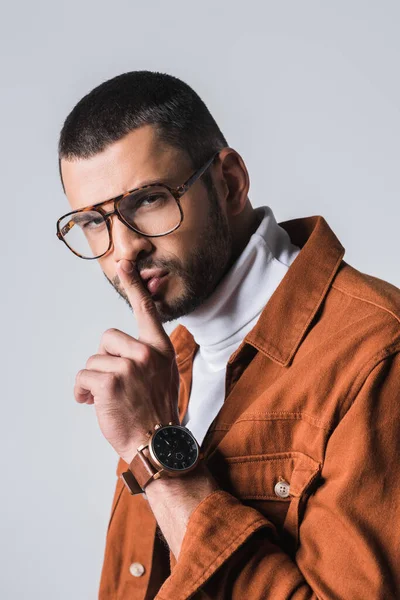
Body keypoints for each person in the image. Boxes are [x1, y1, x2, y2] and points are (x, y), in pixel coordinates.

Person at [56, 70, 400, 600]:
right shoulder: (164, 365)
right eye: (93, 222)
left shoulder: (375, 352)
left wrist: (157, 456)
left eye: (147, 200)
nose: (122, 250)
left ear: (231, 182)